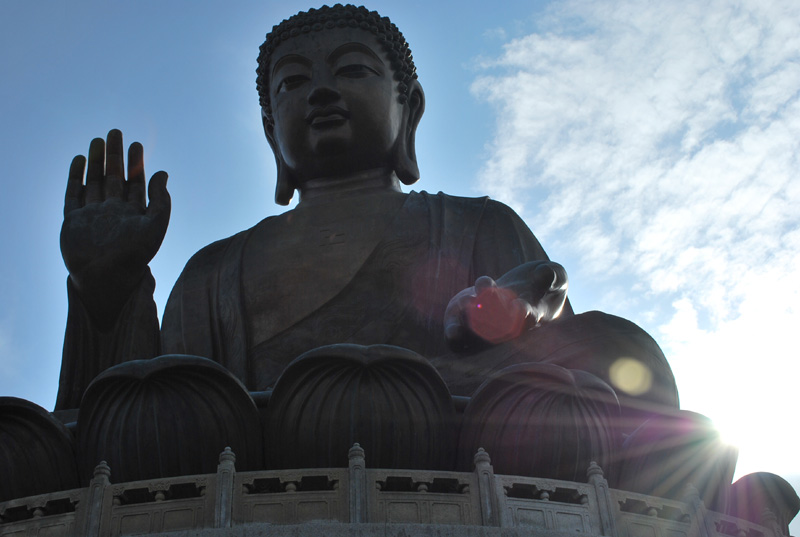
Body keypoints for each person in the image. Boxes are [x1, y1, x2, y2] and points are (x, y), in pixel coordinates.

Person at [56, 5, 678, 431]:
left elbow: (550, 310)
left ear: (409, 109)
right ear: (272, 132)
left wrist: (516, 307)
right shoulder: (215, 270)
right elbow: (146, 405)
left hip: (465, 426)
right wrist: (105, 291)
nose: (320, 93)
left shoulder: (475, 222)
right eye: (292, 85)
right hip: (267, 448)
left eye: (351, 70)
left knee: (626, 355)